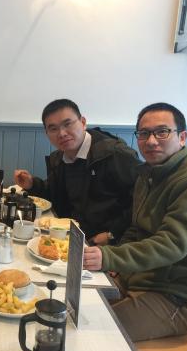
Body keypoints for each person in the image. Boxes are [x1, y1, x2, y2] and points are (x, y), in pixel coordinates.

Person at [83, 102, 187, 342]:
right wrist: (116, 260)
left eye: (162, 132)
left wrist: (109, 257)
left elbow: (171, 244)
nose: (151, 141)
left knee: (92, 332)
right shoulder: (149, 174)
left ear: (182, 137)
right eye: (144, 133)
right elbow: (136, 228)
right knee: (73, 307)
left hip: (177, 297)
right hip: (141, 279)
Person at [14, 99, 141, 245]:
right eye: (53, 129)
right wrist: (32, 184)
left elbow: (141, 201)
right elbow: (55, 195)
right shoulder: (59, 158)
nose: (62, 133)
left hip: (108, 242)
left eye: (67, 124)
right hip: (72, 235)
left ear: (83, 122)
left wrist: (113, 234)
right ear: (47, 133)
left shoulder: (114, 154)